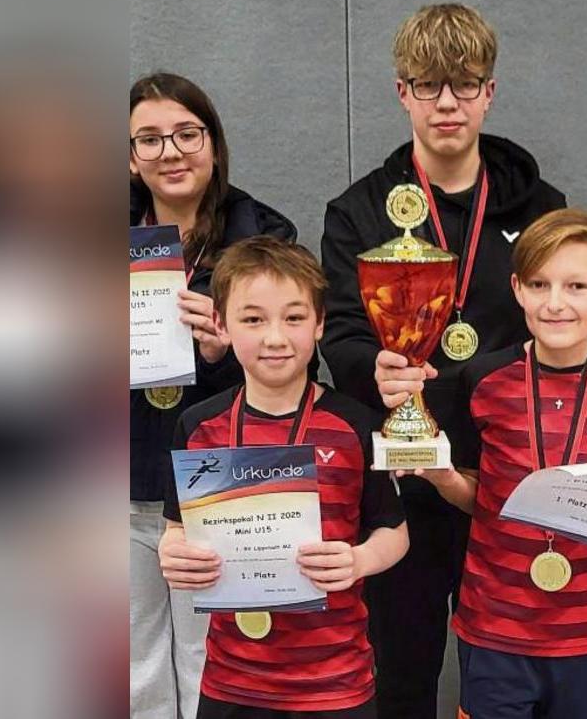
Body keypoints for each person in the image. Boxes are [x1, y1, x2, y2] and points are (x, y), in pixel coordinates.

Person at [319, 4, 567, 719]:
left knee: (513, 669)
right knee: (403, 670)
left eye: (465, 84)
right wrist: (377, 368)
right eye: (429, 85)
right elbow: (338, 331)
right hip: (400, 476)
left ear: (490, 91)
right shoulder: (360, 210)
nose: (448, 102)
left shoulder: (540, 207)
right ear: (403, 92)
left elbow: (561, 321)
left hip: (504, 469)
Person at [407, 209, 587, 719]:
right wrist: (442, 476)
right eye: (539, 284)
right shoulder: (483, 380)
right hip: (491, 628)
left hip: (582, 635)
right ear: (517, 289)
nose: (556, 303)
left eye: (577, 286)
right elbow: (479, 497)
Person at [158, 236, 409, 718]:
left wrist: (358, 560)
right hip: (232, 681)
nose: (275, 337)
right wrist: (174, 557)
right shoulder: (199, 426)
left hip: (335, 682)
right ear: (221, 324)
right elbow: (175, 532)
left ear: (319, 325)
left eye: (294, 318)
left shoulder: (354, 423)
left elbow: (394, 532)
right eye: (253, 319)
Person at [129, 72, 298, 719]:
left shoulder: (266, 239)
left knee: (218, 657)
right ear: (130, 158)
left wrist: (231, 350)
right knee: (131, 662)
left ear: (215, 145)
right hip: (118, 471)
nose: (170, 152)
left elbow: (296, 367)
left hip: (229, 472)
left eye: (186, 134)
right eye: (149, 139)